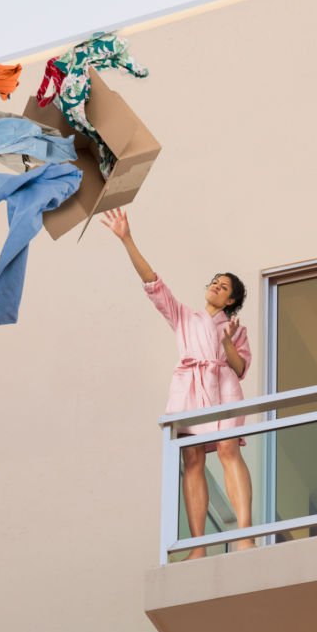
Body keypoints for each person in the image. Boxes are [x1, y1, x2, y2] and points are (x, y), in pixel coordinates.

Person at [101, 208, 254, 559]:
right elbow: (153, 283)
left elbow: (240, 366)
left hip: (224, 384)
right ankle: (197, 545)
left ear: (230, 300)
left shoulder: (236, 329)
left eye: (224, 286)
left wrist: (228, 341)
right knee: (194, 459)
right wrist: (127, 239)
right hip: (189, 388)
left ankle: (245, 535)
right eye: (214, 281)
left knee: (229, 449)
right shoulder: (185, 317)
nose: (216, 286)